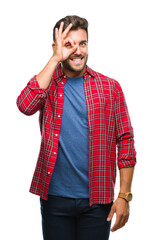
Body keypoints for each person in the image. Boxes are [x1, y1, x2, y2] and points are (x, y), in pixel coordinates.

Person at [16, 15, 136, 240]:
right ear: (57, 46)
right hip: (55, 198)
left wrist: (124, 196)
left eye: (82, 43)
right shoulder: (48, 83)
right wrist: (54, 60)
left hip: (97, 201)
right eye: (68, 45)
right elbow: (25, 105)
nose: (78, 51)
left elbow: (126, 139)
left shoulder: (110, 88)